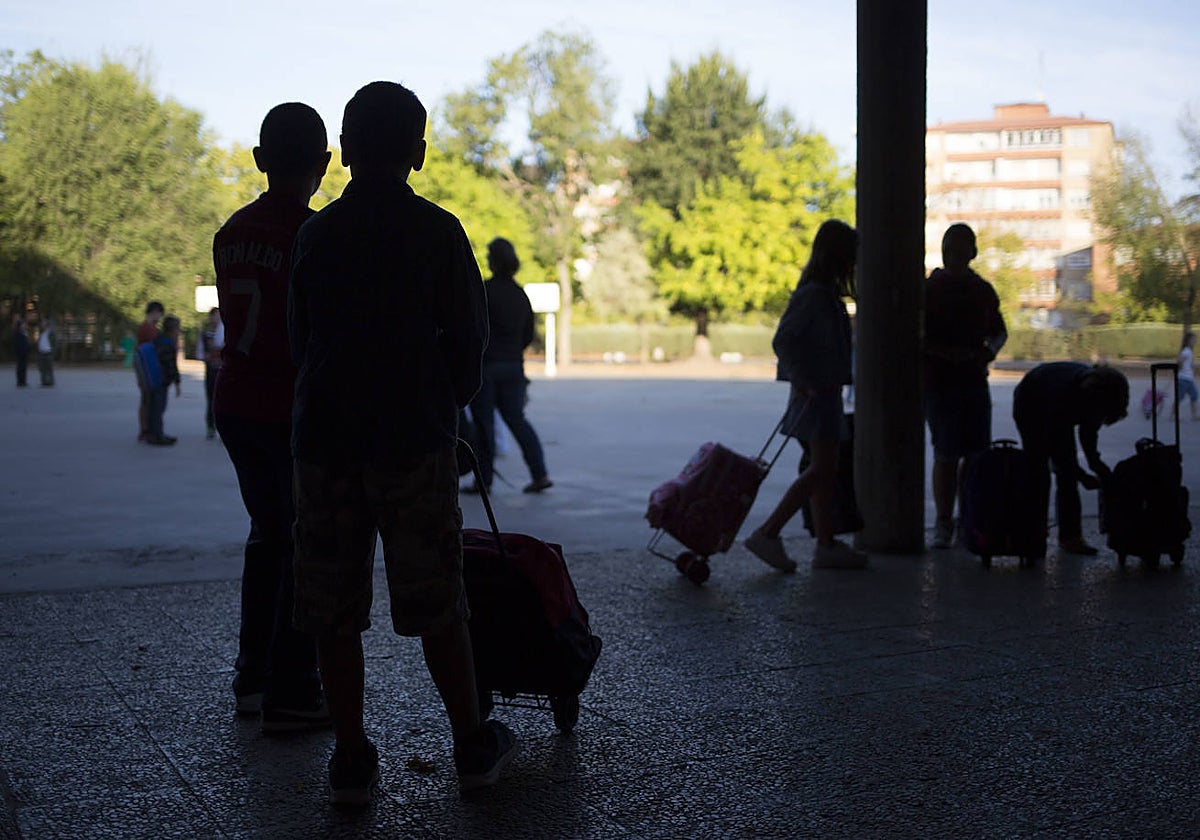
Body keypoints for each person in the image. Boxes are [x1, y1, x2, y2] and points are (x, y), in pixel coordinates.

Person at [289, 81, 515, 807]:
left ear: (345, 150)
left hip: (326, 441)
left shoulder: (316, 235)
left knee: (332, 606)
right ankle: (471, 745)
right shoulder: (439, 231)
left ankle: (352, 758)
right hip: (413, 440)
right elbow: (469, 342)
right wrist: (439, 403)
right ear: (418, 153)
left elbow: (300, 342)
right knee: (438, 597)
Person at [212, 103, 331, 733]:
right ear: (325, 164)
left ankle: (252, 677)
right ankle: (294, 685)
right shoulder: (316, 236)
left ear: (259, 160)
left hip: (237, 402)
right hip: (290, 406)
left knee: (268, 534)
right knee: (302, 543)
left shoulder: (231, 231)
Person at [744, 219, 868, 571]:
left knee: (823, 471)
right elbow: (784, 341)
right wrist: (803, 380)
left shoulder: (818, 293)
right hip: (818, 396)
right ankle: (768, 533)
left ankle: (825, 543)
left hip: (820, 395)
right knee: (822, 469)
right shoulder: (816, 296)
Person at [923, 224, 1007, 549]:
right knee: (953, 455)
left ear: (971, 253)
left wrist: (981, 354)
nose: (954, 258)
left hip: (955, 382)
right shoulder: (976, 290)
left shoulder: (935, 289)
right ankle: (954, 522)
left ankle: (955, 522)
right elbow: (999, 333)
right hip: (951, 383)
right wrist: (981, 354)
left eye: (958, 252)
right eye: (950, 252)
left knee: (961, 456)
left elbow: (998, 333)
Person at [1012, 362, 1129, 556]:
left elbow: (1088, 431)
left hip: (1053, 398)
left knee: (1067, 476)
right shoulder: (1064, 397)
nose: (1099, 417)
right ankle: (1035, 534)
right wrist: (1082, 476)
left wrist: (1096, 464)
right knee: (1039, 473)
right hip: (1030, 402)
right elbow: (1057, 449)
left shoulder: (1099, 393)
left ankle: (1069, 537)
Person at [465, 237, 553, 495]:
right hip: (513, 366)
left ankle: (484, 481)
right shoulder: (520, 295)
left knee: (484, 425)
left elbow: (472, 328)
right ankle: (540, 473)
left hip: (486, 366)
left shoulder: (484, 291)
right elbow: (528, 334)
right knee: (517, 419)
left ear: (493, 261)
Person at [145, 315, 182, 446]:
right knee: (158, 408)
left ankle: (152, 433)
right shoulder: (168, 344)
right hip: (161, 380)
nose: (179, 332)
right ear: (173, 330)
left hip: (153, 378)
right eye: (178, 329)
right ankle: (158, 435)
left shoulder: (158, 340)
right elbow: (171, 365)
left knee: (153, 407)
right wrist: (177, 382)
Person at [136, 302, 165, 441]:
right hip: (146, 366)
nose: (159, 318)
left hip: (145, 366)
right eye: (159, 314)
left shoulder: (147, 327)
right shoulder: (149, 329)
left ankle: (146, 429)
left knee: (146, 399)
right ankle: (145, 429)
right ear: (154, 312)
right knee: (147, 399)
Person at [196, 307, 225, 439]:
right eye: (214, 315)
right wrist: (207, 356)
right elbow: (200, 353)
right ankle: (210, 426)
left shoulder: (224, 331)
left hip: (222, 370)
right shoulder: (205, 334)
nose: (216, 318)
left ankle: (222, 428)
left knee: (222, 399)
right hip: (211, 370)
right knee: (211, 398)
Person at [1174, 331, 1198, 421]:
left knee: (1194, 395)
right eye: (1193, 339)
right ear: (1188, 341)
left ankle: (1194, 415)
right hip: (1183, 379)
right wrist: (1182, 367)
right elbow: (1179, 360)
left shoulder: (1189, 351)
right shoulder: (1187, 351)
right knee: (1179, 398)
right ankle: (1173, 415)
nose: (1195, 341)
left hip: (1188, 378)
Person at [36, 317, 55, 387]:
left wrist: (53, 352)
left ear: (47, 324)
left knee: (49, 368)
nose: (42, 324)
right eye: (42, 323)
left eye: (43, 323)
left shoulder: (51, 333)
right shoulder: (42, 333)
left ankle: (51, 382)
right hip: (41, 353)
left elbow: (55, 343)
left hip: (48, 353)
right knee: (42, 368)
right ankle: (44, 382)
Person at [12, 315, 30, 387]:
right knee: (20, 367)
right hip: (20, 353)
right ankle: (20, 382)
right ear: (20, 325)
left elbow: (26, 342)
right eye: (23, 324)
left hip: (25, 353)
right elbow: (16, 344)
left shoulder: (24, 332)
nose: (24, 326)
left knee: (24, 367)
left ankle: (23, 381)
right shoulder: (17, 333)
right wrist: (18, 351)